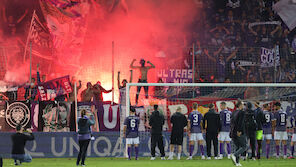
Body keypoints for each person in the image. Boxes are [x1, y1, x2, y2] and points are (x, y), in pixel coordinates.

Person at [230, 100, 247, 166]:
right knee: (244, 146)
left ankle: (237, 162)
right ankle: (234, 155)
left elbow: (232, 123)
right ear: (240, 105)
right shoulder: (242, 112)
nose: (243, 105)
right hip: (239, 132)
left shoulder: (234, 112)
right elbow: (240, 122)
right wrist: (239, 131)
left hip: (233, 131)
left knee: (237, 147)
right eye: (242, 104)